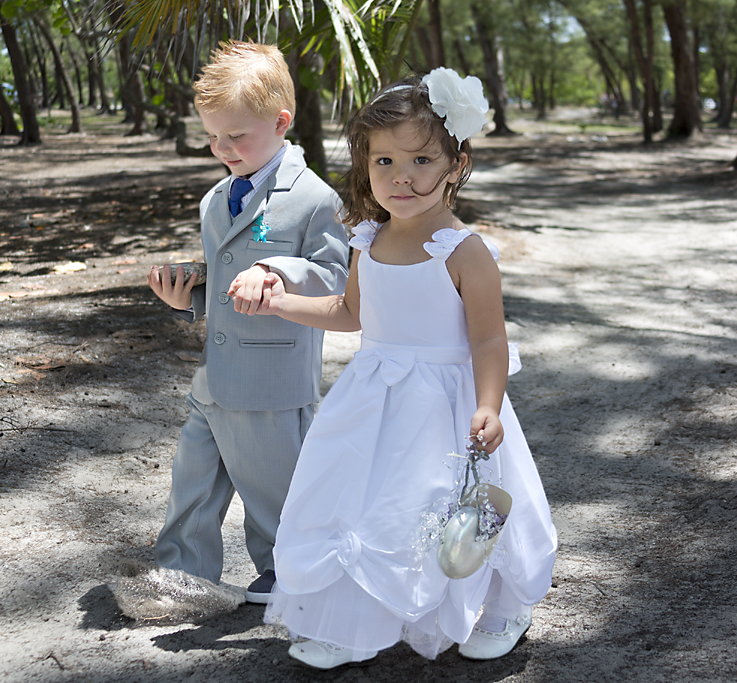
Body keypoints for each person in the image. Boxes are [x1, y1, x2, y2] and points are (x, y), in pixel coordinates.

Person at [229, 68, 557, 668]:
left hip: (449, 401)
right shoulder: (366, 240)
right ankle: (353, 620)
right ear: (365, 166)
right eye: (383, 162)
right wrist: (280, 301)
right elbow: (349, 312)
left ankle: (505, 604)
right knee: (364, 504)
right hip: (374, 397)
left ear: (457, 163)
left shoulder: (465, 252)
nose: (401, 177)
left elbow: (488, 338)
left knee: (451, 506)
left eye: (422, 160)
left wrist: (488, 402)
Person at [147, 41, 350, 604]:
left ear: (281, 121)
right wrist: (187, 295)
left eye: (237, 136)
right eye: (213, 136)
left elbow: (334, 278)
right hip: (214, 377)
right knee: (192, 483)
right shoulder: (217, 198)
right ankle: (182, 574)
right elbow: (224, 276)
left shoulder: (314, 200)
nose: (223, 148)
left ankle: (292, 572)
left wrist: (277, 270)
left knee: (275, 490)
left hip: (271, 384)